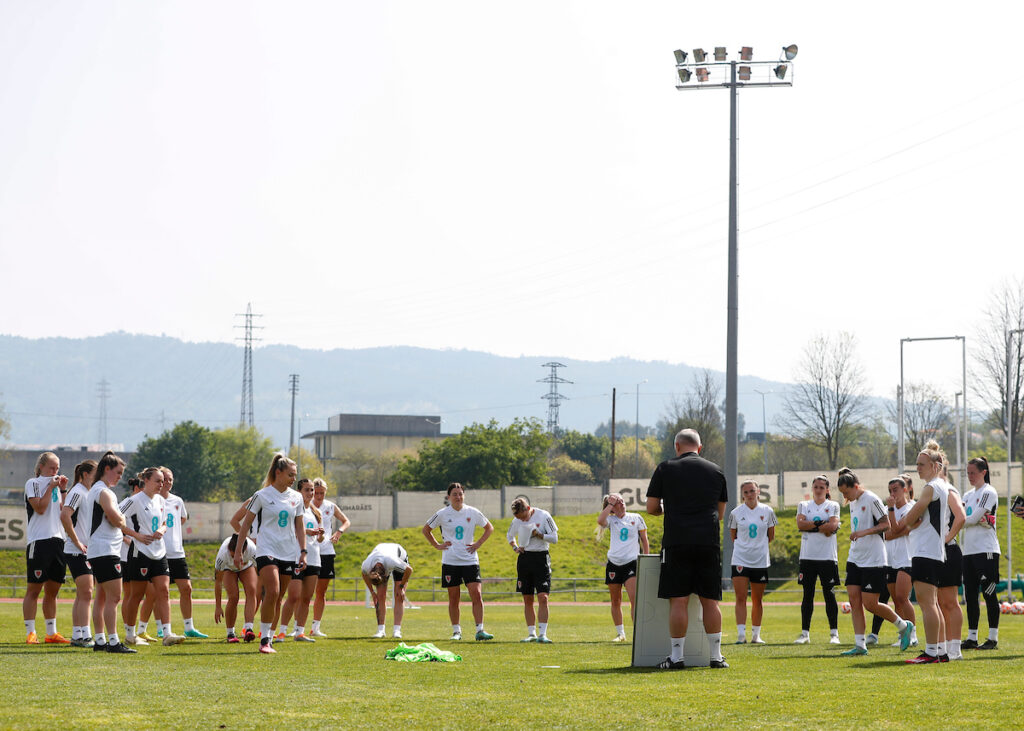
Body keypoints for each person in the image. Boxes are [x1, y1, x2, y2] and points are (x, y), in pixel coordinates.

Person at [645, 428, 728, 670]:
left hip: (677, 540)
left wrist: (668, 510)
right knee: (710, 602)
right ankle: (716, 657)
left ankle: (677, 657)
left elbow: (651, 507)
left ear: (677, 447)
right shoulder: (716, 471)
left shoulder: (665, 468)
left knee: (678, 601)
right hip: (708, 541)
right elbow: (720, 513)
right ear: (699, 448)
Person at [835, 469, 914, 656]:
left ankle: (903, 626)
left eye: (846, 492)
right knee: (854, 601)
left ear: (856, 486)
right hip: (855, 557)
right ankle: (860, 645)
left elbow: (886, 524)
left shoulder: (871, 499)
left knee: (870, 604)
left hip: (874, 559)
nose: (845, 496)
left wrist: (862, 533)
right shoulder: (853, 502)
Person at [235, 454, 305, 653]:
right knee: (272, 592)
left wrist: (303, 551)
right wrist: (239, 550)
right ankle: (264, 640)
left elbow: (299, 526)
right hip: (266, 550)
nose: (293, 479)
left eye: (295, 475)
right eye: (290, 475)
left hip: (289, 552)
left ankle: (270, 636)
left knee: (279, 596)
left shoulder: (296, 497)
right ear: (278, 473)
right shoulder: (262, 495)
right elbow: (245, 524)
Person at [119, 467, 185, 647]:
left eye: (163, 481)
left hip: (159, 551)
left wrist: (162, 530)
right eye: (158, 480)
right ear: (146, 480)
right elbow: (115, 517)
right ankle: (130, 635)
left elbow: (164, 522)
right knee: (136, 594)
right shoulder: (134, 500)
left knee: (163, 591)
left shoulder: (161, 500)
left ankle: (167, 634)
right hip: (140, 551)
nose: (161, 484)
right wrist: (136, 536)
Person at [423, 482, 495, 641]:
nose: (458, 497)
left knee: (476, 594)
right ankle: (456, 632)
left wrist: (478, 544)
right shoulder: (442, 513)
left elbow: (489, 528)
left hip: (470, 560)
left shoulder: (473, 512)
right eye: (454, 494)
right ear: (448, 497)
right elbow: (426, 529)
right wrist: (437, 545)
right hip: (450, 561)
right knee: (454, 598)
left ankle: (480, 630)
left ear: (464, 495)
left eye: (460, 493)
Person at [903, 441, 952, 664]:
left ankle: (932, 652)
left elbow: (910, 517)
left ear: (935, 465)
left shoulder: (931, 487)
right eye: (917, 464)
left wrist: (906, 521)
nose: (918, 468)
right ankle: (940, 650)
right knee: (932, 603)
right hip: (932, 550)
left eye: (922, 464)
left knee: (927, 603)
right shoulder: (941, 486)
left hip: (926, 550)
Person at [85, 451, 136, 653]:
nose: (120, 477)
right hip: (105, 550)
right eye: (118, 472)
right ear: (107, 469)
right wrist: (120, 520)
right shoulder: (104, 492)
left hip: (100, 550)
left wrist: (116, 518)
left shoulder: (97, 490)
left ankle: (100, 640)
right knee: (114, 597)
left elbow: (113, 518)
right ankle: (113, 642)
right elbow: (117, 520)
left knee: (102, 598)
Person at [23, 452, 70, 644]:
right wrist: (51, 486)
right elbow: (40, 508)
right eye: (51, 468)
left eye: (57, 468)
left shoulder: (57, 487)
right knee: (34, 589)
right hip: (39, 541)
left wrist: (64, 489)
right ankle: (31, 632)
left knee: (53, 590)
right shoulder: (33, 483)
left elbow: (65, 512)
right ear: (41, 467)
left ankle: (51, 632)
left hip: (58, 540)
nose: (55, 471)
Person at [794, 475, 841, 645]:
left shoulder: (833, 505)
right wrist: (822, 524)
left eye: (822, 487)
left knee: (829, 594)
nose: (819, 490)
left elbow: (833, 526)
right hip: (807, 557)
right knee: (808, 595)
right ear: (812, 488)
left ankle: (834, 634)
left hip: (827, 557)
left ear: (827, 490)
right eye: (816, 487)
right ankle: (805, 633)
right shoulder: (804, 505)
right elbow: (800, 525)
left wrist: (812, 525)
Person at [728, 480, 777, 645]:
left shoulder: (768, 511)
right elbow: (733, 535)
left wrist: (758, 548)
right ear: (742, 495)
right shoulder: (735, 513)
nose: (749, 494)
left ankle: (756, 635)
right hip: (740, 559)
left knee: (757, 599)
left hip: (760, 560)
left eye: (752, 491)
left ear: (758, 492)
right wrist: (746, 547)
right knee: (740, 597)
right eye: (746, 492)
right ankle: (741, 635)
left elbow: (771, 535)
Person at [597, 492, 649, 642]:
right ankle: (620, 634)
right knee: (615, 600)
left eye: (622, 500)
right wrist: (610, 504)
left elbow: (644, 540)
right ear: (612, 507)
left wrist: (645, 559)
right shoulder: (611, 519)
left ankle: (638, 633)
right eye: (617, 502)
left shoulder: (636, 517)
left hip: (631, 562)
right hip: (614, 563)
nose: (622, 503)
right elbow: (600, 520)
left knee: (634, 598)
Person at [961, 456, 1001, 650]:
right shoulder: (967, 495)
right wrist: (969, 520)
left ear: (983, 473)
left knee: (989, 593)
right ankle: (972, 637)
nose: (970, 476)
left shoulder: (988, 492)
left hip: (987, 551)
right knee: (970, 595)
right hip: (968, 552)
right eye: (967, 473)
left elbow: (973, 517)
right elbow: (960, 516)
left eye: (973, 473)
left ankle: (993, 638)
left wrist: (965, 520)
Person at [277, 478, 324, 642]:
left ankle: (300, 632)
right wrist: (306, 531)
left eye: (312, 490)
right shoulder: (294, 509)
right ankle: (282, 631)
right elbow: (292, 530)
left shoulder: (315, 512)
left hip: (314, 558)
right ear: (299, 492)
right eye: (307, 490)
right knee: (294, 596)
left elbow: (319, 540)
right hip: (296, 557)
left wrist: (320, 534)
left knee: (306, 598)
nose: (311, 493)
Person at [506, 495, 558, 643]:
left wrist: (540, 535)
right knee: (527, 598)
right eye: (519, 518)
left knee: (543, 597)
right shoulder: (517, 520)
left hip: (541, 558)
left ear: (528, 509)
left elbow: (555, 538)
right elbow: (509, 535)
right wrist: (515, 547)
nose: (522, 520)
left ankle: (543, 634)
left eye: (524, 517)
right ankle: (531, 633)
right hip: (524, 559)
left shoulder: (544, 516)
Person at [878, 476, 918, 648]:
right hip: (891, 559)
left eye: (896, 489)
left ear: (905, 490)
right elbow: (886, 533)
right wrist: (898, 530)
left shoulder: (911, 508)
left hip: (906, 558)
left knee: (903, 597)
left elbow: (895, 529)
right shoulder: (889, 512)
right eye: (890, 490)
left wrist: (892, 511)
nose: (893, 493)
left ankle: (914, 633)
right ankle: (904, 634)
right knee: (896, 599)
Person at [61, 459, 96, 647]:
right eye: (95, 474)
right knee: (87, 592)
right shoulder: (77, 491)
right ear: (84, 474)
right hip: (76, 551)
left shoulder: (88, 493)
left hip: (85, 550)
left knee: (83, 594)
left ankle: (77, 635)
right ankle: (86, 636)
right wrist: (77, 542)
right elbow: (64, 515)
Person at [310, 478, 350, 638]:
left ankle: (315, 627)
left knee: (321, 591)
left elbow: (346, 521)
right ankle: (296, 627)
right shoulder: (306, 505)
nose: (319, 496)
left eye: (322, 493)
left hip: (326, 551)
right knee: (301, 592)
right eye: (316, 492)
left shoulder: (330, 506)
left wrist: (339, 532)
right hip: (309, 550)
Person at [937, 464, 966, 660]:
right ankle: (945, 647)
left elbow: (961, 517)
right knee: (939, 602)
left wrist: (947, 538)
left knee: (950, 602)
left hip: (949, 550)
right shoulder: (934, 490)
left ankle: (956, 648)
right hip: (936, 552)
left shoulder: (948, 489)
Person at [361, 543, 413, 639]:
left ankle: (397, 631)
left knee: (398, 596)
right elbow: (364, 575)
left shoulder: (393, 562)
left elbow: (409, 570)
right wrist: (373, 592)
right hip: (381, 552)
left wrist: (401, 587)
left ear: (385, 574)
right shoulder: (366, 566)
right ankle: (381, 631)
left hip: (399, 555)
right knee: (380, 596)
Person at [214, 533, 258, 642]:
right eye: (232, 556)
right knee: (233, 597)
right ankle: (230, 633)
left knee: (252, 590)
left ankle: (248, 629)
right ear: (229, 550)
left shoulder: (252, 550)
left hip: (246, 567)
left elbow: (259, 572)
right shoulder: (222, 555)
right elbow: (218, 582)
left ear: (245, 550)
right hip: (229, 570)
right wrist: (218, 606)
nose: (236, 560)